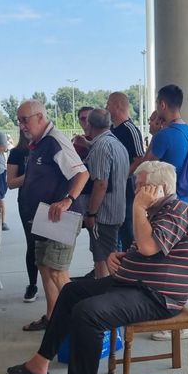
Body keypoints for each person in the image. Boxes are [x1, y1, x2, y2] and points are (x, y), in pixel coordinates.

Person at [6, 161, 188, 374]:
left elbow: (148, 247)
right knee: (71, 292)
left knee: (88, 313)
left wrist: (138, 207)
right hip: (135, 284)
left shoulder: (176, 210)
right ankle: (40, 362)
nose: (136, 191)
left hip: (157, 296)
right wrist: (119, 257)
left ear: (161, 188)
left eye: (141, 186)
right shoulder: (156, 211)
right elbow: (143, 250)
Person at [16, 99, 89, 332]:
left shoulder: (55, 141)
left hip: (60, 217)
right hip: (43, 217)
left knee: (57, 271)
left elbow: (82, 174)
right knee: (44, 266)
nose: (21, 125)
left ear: (40, 117)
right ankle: (52, 318)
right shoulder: (39, 143)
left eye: (24, 120)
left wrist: (68, 200)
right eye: (19, 121)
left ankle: (83, 324)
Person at [80, 109, 129, 278]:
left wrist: (91, 213)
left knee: (103, 260)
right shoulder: (117, 144)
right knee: (110, 256)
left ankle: (104, 290)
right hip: (117, 210)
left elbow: (101, 183)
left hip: (104, 215)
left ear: (89, 125)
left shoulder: (101, 147)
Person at [144, 84, 188, 203]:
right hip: (185, 202)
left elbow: (144, 168)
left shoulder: (163, 135)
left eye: (157, 104)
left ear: (162, 105)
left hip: (166, 203)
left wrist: (154, 135)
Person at [106, 92, 145, 251]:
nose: (106, 107)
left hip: (126, 190)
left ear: (117, 106)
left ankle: (131, 259)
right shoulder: (110, 130)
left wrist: (122, 177)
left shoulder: (130, 130)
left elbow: (139, 158)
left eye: (108, 104)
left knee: (127, 228)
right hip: (111, 190)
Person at [6, 132, 40, 302]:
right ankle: (32, 284)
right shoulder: (17, 153)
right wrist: (32, 174)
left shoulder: (47, 148)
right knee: (32, 244)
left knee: (52, 245)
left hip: (51, 202)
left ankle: (55, 282)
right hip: (27, 203)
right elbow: (11, 183)